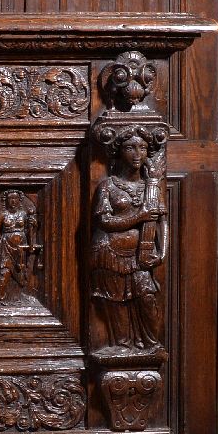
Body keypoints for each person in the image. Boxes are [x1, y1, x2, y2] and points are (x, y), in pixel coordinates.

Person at [91, 130, 168, 352]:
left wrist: (162, 252)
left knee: (147, 298)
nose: (137, 154)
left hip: (141, 254)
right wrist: (139, 216)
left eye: (142, 148)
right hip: (110, 252)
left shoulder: (151, 188)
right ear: (119, 152)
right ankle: (123, 345)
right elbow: (104, 221)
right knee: (117, 301)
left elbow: (162, 221)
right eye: (130, 148)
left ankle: (151, 345)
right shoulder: (108, 186)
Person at [0, 189, 41, 303]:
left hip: (20, 247)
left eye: (15, 199)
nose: (13, 201)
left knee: (21, 271)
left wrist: (33, 224)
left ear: (19, 200)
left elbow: (31, 230)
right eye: (10, 199)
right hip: (6, 245)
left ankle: (18, 296)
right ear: (7, 201)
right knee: (5, 271)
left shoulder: (24, 214)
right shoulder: (2, 215)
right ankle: (0, 298)